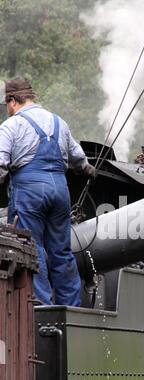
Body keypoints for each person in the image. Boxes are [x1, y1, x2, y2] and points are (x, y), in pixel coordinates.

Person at [0, 76, 96, 306]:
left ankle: (40, 308)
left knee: (33, 249)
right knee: (62, 252)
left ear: (12, 101)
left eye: (6, 106)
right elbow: (78, 158)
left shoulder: (11, 126)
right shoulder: (58, 122)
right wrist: (87, 170)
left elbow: (1, 164)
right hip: (60, 192)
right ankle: (70, 309)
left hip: (30, 191)